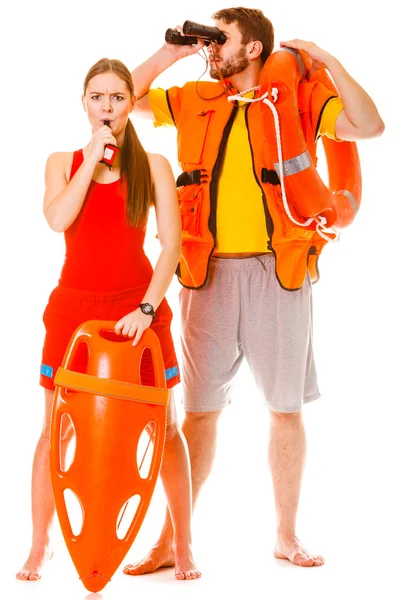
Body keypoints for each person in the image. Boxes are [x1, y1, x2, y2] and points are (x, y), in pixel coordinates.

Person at [122, 7, 384, 574]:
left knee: (285, 410)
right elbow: (125, 101)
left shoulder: (296, 102)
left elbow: (371, 126)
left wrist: (331, 63)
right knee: (198, 415)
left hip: (278, 273)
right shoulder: (196, 97)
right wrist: (173, 53)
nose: (213, 48)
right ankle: (171, 540)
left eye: (223, 39)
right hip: (205, 275)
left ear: (255, 49)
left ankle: (286, 536)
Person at [16, 58, 201, 582]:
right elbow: (57, 219)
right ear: (84, 103)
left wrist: (146, 309)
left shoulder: (156, 165)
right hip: (74, 309)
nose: (107, 106)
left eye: (118, 97)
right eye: (97, 97)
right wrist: (91, 160)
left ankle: (183, 545)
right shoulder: (61, 160)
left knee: (164, 429)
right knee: (55, 430)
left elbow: (171, 246)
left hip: (137, 309)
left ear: (129, 104)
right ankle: (39, 545)